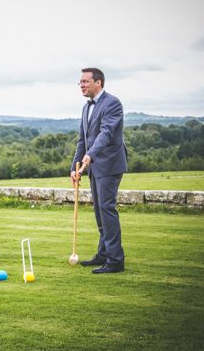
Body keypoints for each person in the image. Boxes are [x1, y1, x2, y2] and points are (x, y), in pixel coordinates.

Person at [71, 68, 128, 274]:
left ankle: (115, 260)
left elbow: (105, 134)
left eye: (86, 81)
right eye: (80, 82)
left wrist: (91, 154)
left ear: (99, 83)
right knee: (99, 212)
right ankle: (103, 254)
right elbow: (82, 140)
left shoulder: (112, 103)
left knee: (106, 209)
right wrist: (75, 166)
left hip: (110, 165)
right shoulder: (86, 108)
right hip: (93, 166)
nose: (82, 85)